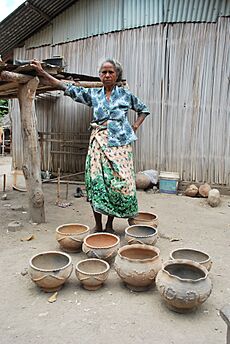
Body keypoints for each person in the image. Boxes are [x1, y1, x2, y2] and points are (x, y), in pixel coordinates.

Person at [31, 58, 150, 233]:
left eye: (111, 72)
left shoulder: (126, 95)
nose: (107, 75)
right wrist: (42, 73)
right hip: (98, 142)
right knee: (96, 183)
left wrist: (134, 126)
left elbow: (143, 110)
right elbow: (66, 88)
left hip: (120, 146)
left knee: (117, 184)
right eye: (104, 72)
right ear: (100, 75)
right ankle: (99, 225)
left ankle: (110, 224)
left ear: (117, 75)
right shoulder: (94, 95)